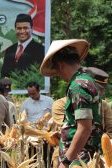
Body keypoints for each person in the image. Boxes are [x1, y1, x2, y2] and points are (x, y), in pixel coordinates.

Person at [40, 39, 102, 167]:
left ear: (60, 64)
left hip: (79, 158)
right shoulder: (87, 79)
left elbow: (84, 128)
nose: (57, 73)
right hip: (82, 155)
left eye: (56, 68)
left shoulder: (78, 86)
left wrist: (66, 161)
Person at [1, 13, 44, 78]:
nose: (22, 31)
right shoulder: (9, 50)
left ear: (32, 29)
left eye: (25, 28)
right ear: (15, 29)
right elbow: (3, 75)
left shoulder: (40, 50)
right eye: (19, 28)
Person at [86, 67, 112, 137]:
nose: (102, 93)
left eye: (104, 89)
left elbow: (111, 130)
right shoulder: (62, 103)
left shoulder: (103, 104)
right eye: (99, 89)